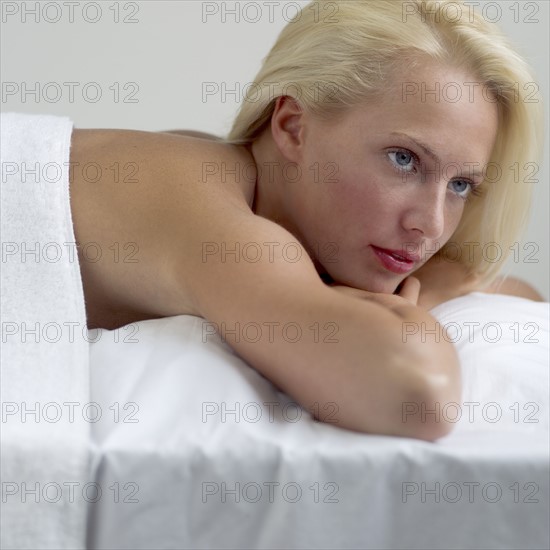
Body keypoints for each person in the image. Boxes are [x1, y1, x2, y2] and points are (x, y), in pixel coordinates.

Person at [67, 0, 543, 440]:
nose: (432, 224)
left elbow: (517, 292)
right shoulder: (202, 208)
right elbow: (420, 396)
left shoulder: (296, 222)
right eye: (404, 159)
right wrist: (407, 306)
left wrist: (424, 287)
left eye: (460, 185)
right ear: (293, 127)